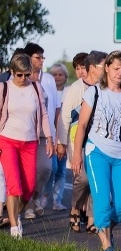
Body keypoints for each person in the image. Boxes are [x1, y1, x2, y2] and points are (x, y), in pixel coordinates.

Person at [71, 50, 121, 251]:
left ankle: (105, 228)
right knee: (102, 201)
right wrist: (77, 154)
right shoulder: (95, 92)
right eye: (116, 68)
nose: (120, 73)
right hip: (96, 152)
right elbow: (82, 125)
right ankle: (107, 246)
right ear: (106, 68)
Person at [0, 54, 54, 238]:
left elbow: (44, 115)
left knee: (29, 187)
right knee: (14, 185)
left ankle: (12, 215)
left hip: (30, 142)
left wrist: (49, 138)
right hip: (7, 140)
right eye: (19, 75)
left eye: (27, 74)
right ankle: (15, 228)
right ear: (12, 72)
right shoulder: (4, 88)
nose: (23, 78)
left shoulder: (36, 88)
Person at [59, 51, 106, 233]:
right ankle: (76, 207)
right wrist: (61, 142)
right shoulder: (75, 89)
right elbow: (65, 117)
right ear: (92, 68)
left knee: (97, 178)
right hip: (76, 139)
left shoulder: (105, 88)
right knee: (82, 179)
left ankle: (92, 218)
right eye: (104, 66)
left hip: (98, 140)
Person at [22, 43, 59, 219]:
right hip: (26, 132)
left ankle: (36, 196)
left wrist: (56, 136)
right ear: (28, 58)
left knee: (45, 168)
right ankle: (28, 204)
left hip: (46, 132)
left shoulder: (49, 79)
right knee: (28, 170)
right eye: (38, 57)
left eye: (43, 57)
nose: (42, 60)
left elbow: (56, 108)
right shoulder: (20, 77)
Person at [43, 62, 69, 211]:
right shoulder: (47, 90)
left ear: (65, 76)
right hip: (50, 135)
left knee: (60, 170)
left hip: (63, 135)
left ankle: (57, 200)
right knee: (50, 169)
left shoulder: (69, 92)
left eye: (60, 74)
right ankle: (44, 195)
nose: (57, 77)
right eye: (54, 74)